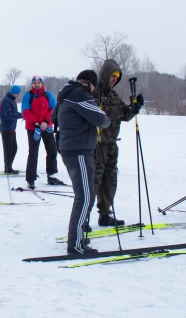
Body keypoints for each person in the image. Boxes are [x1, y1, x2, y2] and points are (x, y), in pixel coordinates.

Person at [54, 70, 110, 254]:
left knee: (87, 195)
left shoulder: (67, 94)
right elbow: (102, 119)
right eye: (93, 87)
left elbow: (53, 117)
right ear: (89, 83)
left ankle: (78, 240)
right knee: (85, 196)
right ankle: (76, 244)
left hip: (74, 148)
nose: (93, 92)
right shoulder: (80, 94)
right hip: (78, 151)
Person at [92, 59, 143, 226]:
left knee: (110, 180)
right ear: (105, 75)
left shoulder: (114, 95)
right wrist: (122, 110)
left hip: (112, 144)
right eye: (112, 76)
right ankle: (83, 217)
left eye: (117, 77)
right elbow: (100, 113)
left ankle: (105, 214)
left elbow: (124, 115)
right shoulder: (95, 92)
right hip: (98, 144)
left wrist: (133, 108)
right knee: (94, 180)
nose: (114, 79)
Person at [21, 75, 64, 189]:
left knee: (52, 150)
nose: (36, 84)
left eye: (38, 82)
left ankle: (51, 175)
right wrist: (35, 123)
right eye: (34, 82)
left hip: (47, 127)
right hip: (33, 128)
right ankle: (30, 179)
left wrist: (46, 121)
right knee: (33, 153)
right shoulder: (28, 95)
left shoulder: (47, 94)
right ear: (32, 84)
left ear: (41, 84)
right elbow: (25, 111)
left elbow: (53, 109)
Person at [0, 85, 23, 174]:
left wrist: (20, 115)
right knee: (9, 149)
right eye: (17, 93)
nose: (18, 95)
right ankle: (8, 168)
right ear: (14, 93)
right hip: (6, 128)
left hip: (11, 128)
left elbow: (13, 113)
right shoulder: (6, 101)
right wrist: (22, 115)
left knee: (14, 148)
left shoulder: (11, 100)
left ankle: (9, 166)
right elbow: (8, 115)